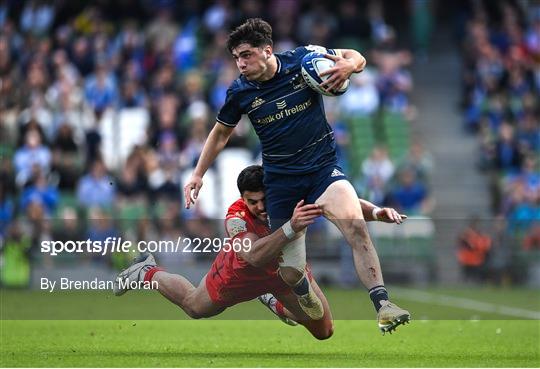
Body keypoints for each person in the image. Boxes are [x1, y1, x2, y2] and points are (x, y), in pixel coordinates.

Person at [183, 18, 410, 333]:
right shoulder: (239, 91)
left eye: (246, 55)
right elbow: (221, 133)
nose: (241, 63)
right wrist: (197, 174)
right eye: (236, 57)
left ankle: (383, 305)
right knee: (289, 271)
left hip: (322, 170)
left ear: (267, 50)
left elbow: (355, 55)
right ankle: (298, 290)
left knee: (355, 228)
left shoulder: (303, 59)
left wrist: (348, 67)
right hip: (281, 182)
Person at [115, 165, 408, 338]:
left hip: (286, 273)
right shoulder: (235, 218)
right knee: (194, 306)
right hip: (241, 273)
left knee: (324, 332)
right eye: (251, 201)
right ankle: (147, 270)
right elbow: (254, 256)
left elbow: (340, 201)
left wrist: (376, 211)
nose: (259, 206)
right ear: (243, 198)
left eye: (262, 198)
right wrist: (292, 227)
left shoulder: (287, 198)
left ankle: (274, 301)